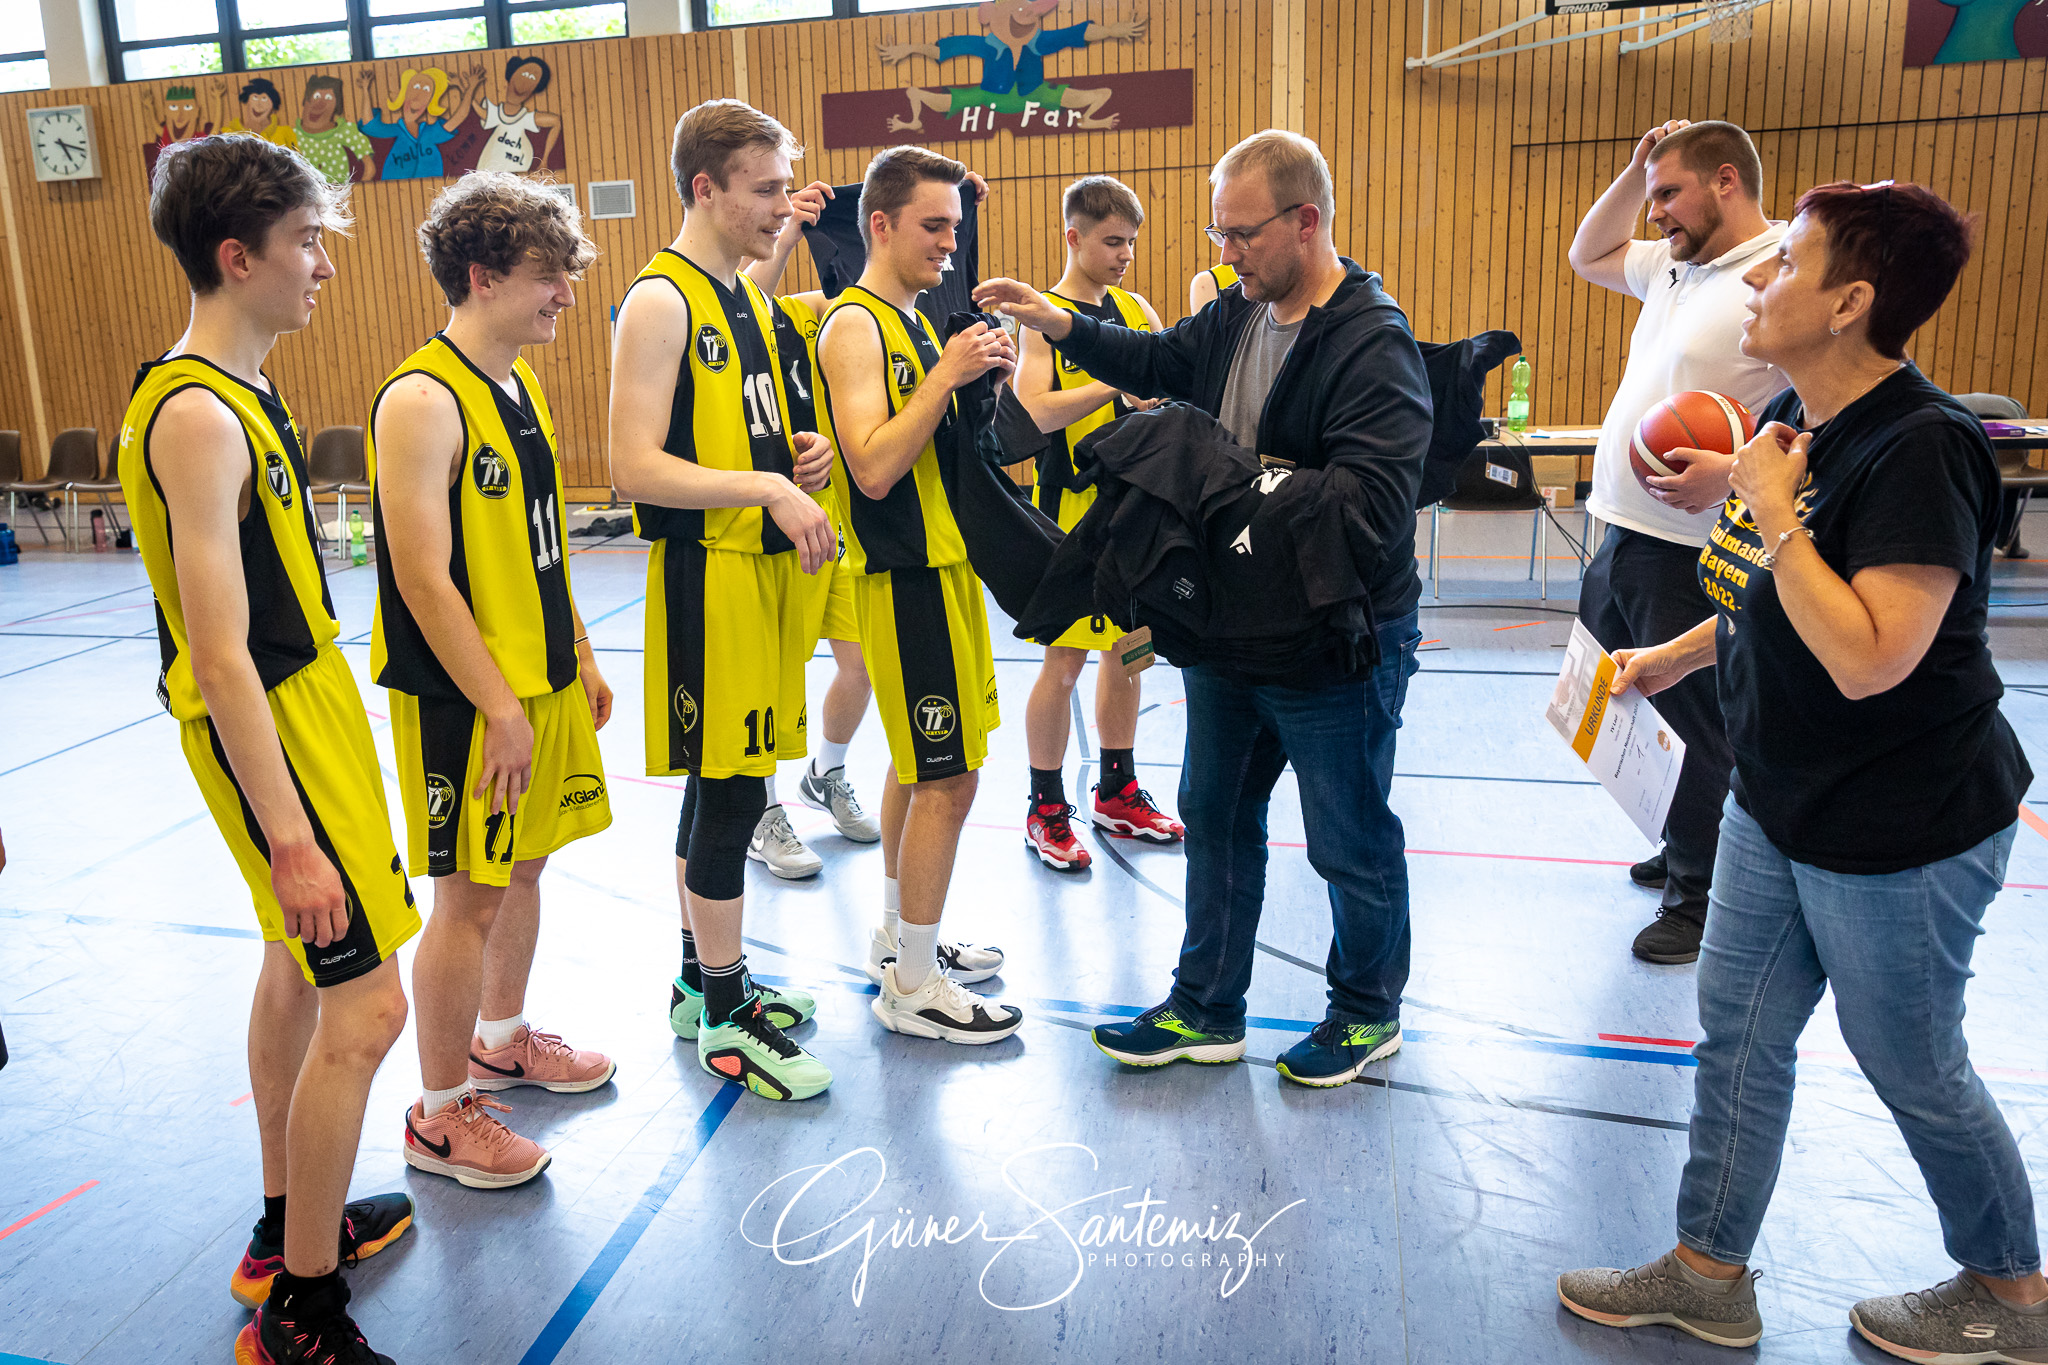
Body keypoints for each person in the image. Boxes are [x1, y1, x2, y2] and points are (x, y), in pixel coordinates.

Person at [1558, 181, 2046, 1362]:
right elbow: (1758, 606)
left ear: (1849, 303)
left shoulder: (1921, 448)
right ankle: (1705, 1271)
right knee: (1735, 1035)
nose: (1760, 282)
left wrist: (1773, 511)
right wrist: (1664, 656)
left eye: (1786, 266)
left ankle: (2013, 1297)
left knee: (1910, 1063)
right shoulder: (1800, 422)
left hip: (1905, 824)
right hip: (1774, 804)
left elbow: (1874, 655)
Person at [976, 128, 1431, 1087]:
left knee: (1349, 834)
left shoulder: (1370, 341)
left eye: (1241, 234)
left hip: (1335, 641)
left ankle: (1365, 1009)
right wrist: (1056, 324)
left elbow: (1373, 511)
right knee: (1215, 815)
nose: (1224, 254)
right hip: (1237, 630)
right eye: (1219, 234)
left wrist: (1231, 480)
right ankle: (1207, 1005)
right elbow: (1158, 358)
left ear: (1305, 223)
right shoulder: (1236, 315)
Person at [118, 133, 415, 1365]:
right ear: (235, 258)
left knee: (297, 971)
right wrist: (291, 836)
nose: (323, 268)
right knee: (370, 1006)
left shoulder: (242, 390)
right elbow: (220, 654)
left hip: (312, 712)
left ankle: (285, 1222)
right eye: (305, 243)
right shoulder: (194, 415)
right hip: (271, 731)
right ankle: (298, 1312)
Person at [371, 172, 617, 1189]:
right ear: (481, 276)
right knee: (465, 897)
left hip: (539, 680)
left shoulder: (516, 383)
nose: (565, 292)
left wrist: (581, 655)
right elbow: (422, 577)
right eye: (547, 274)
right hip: (468, 700)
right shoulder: (421, 398)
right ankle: (437, 1116)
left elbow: (537, 544)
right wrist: (501, 706)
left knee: (524, 867)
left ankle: (501, 1037)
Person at [608, 99, 838, 1101]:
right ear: (704, 188)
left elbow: (726, 436)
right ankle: (727, 1006)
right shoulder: (661, 301)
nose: (783, 205)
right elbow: (630, 468)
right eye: (766, 188)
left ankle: (703, 984)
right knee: (729, 793)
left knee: (728, 787)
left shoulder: (739, 292)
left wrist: (795, 459)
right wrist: (764, 488)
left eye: (785, 186)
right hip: (708, 577)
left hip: (757, 570)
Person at [1566, 118, 1788, 964]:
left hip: (1690, 547)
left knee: (1695, 722)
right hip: (1620, 525)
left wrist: (1731, 469)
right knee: (1622, 701)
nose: (1654, 212)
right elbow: (1589, 253)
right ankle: (1679, 840)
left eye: (1669, 193)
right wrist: (1634, 169)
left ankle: (1702, 897)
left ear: (1726, 180)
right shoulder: (1672, 264)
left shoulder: (1774, 273)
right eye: (1651, 196)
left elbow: (1814, 427)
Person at [815, 144, 1021, 1044]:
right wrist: (946, 375)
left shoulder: (910, 319)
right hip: (903, 579)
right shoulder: (856, 325)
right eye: (934, 226)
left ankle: (906, 942)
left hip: (945, 572)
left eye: (955, 226)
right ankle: (914, 987)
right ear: (881, 224)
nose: (949, 243)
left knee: (915, 764)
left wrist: (980, 384)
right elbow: (870, 466)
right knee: (949, 777)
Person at [1013, 174, 1182, 870]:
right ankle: (1045, 803)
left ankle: (1118, 786)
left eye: (1132, 243)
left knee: (1132, 649)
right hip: (1073, 513)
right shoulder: (1041, 316)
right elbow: (1031, 412)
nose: (1124, 255)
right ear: (1074, 236)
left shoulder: (1135, 307)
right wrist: (1115, 381)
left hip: (1138, 509)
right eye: (1112, 241)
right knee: (1066, 660)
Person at [741, 179, 887, 878]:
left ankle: (824, 775)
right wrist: (793, 230)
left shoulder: (863, 316)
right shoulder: (792, 312)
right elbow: (747, 296)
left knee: (860, 663)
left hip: (841, 520)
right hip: (779, 517)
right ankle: (761, 813)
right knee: (775, 677)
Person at [470, 55, 564, 175]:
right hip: (488, 169)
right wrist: (470, 89)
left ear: (536, 88)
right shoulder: (495, 113)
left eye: (532, 78)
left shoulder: (525, 118)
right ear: (512, 75)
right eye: (524, 74)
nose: (525, 81)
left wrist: (544, 160)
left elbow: (556, 122)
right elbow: (480, 112)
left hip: (516, 170)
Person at [294, 75, 377, 186]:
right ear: (307, 100)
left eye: (328, 98)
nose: (320, 103)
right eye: (316, 96)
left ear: (336, 105)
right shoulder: (292, 134)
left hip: (339, 197)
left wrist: (356, 192)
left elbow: (370, 167)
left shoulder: (344, 130)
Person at [221, 76, 297, 147]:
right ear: (247, 101)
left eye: (264, 98)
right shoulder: (229, 134)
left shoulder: (285, 132)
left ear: (272, 104)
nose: (259, 104)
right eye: (255, 97)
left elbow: (297, 158)